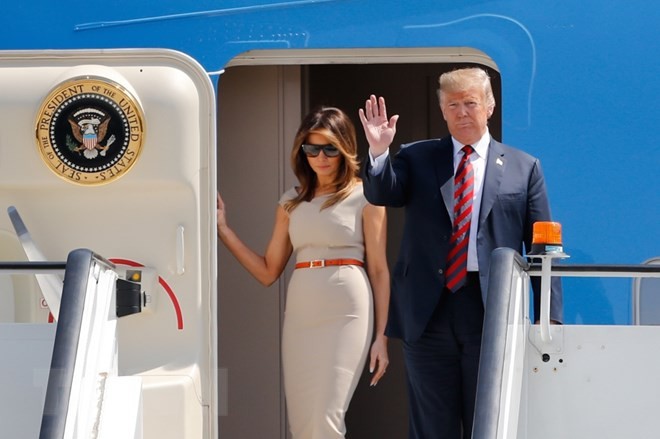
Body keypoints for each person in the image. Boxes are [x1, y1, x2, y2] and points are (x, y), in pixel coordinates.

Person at [358, 67, 563, 439]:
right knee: (431, 427)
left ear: (489, 106)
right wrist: (378, 152)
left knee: (489, 423)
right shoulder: (417, 157)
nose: (462, 112)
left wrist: (550, 322)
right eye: (453, 104)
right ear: (442, 110)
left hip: (490, 311)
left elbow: (543, 249)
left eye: (470, 102)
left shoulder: (524, 167)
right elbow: (382, 193)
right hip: (428, 314)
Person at [217, 106, 390, 439]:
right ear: (302, 152)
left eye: (329, 148)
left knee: (327, 416)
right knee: (301, 422)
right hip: (301, 311)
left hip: (347, 310)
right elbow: (268, 271)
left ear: (344, 150)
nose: (320, 157)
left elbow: (380, 270)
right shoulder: (290, 202)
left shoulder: (366, 195)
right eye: (312, 149)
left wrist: (382, 336)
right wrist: (224, 230)